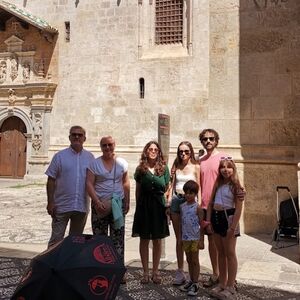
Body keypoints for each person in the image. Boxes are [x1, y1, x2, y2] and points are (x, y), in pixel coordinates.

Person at [86, 136, 130, 276]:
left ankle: (118, 271)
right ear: (101, 147)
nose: (107, 148)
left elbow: (125, 182)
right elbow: (89, 183)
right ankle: (102, 270)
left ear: (114, 145)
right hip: (100, 205)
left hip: (117, 204)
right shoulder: (95, 164)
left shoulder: (122, 163)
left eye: (110, 145)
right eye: (104, 145)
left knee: (118, 238)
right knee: (100, 238)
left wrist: (127, 201)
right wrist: (97, 202)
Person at [45, 125, 94, 248]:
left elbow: (94, 181)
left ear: (84, 138)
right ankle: (50, 266)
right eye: (74, 134)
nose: (77, 137)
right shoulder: (60, 156)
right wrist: (50, 202)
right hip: (61, 206)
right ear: (69, 137)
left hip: (81, 206)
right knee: (56, 240)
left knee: (76, 241)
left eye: (80, 135)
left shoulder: (90, 158)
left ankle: (69, 266)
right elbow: (51, 180)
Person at [206, 157, 245, 299]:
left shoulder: (237, 187)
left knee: (230, 253)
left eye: (229, 167)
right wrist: (208, 222)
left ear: (233, 170)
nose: (225, 169)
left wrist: (233, 227)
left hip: (229, 219)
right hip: (216, 218)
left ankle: (230, 286)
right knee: (220, 253)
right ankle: (222, 283)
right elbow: (210, 204)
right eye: (223, 167)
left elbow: (239, 209)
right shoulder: (217, 184)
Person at [132, 141, 170, 284]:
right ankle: (145, 272)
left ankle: (155, 271)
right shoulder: (140, 169)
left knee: (157, 239)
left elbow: (166, 187)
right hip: (144, 206)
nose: (153, 151)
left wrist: (166, 205)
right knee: (144, 239)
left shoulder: (164, 168)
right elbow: (138, 190)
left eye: (155, 149)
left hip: (158, 207)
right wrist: (138, 208)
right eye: (150, 149)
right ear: (146, 152)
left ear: (159, 152)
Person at [199, 128, 229, 287]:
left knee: (225, 245)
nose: (208, 141)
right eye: (205, 139)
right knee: (211, 241)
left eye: (211, 138)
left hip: (221, 206)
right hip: (205, 207)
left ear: (216, 140)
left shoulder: (224, 157)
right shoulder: (201, 160)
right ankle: (216, 273)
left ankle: (228, 279)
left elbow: (232, 177)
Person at [168, 141, 201, 285]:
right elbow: (172, 184)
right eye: (181, 151)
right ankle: (180, 271)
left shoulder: (196, 167)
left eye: (186, 151)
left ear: (191, 152)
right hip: (177, 201)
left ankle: (192, 274)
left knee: (190, 236)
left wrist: (199, 205)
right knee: (179, 238)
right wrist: (168, 203)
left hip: (191, 203)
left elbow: (199, 187)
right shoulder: (176, 166)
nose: (183, 154)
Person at [179, 180, 204, 297]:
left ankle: (195, 282)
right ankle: (191, 279)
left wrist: (202, 240)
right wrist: (179, 238)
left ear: (195, 194)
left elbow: (201, 224)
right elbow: (181, 223)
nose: (188, 195)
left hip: (195, 237)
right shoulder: (182, 207)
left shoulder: (197, 208)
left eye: (191, 193)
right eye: (186, 193)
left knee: (195, 260)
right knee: (188, 259)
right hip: (185, 238)